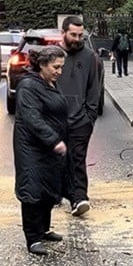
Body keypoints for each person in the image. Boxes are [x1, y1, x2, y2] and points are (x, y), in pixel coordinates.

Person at [13, 46, 69, 255]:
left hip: (48, 147)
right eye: (56, 67)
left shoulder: (50, 83)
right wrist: (54, 140)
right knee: (33, 189)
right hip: (31, 147)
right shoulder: (28, 86)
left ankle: (44, 229)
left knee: (48, 187)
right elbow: (32, 118)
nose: (59, 72)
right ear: (43, 65)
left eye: (61, 67)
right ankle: (33, 239)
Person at [56, 16, 103, 217]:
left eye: (80, 35)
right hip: (55, 120)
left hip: (80, 121)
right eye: (73, 35)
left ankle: (79, 197)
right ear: (63, 33)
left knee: (77, 158)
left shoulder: (90, 57)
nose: (77, 39)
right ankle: (57, 192)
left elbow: (94, 89)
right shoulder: (53, 56)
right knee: (57, 158)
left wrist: (89, 117)